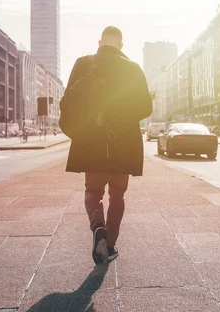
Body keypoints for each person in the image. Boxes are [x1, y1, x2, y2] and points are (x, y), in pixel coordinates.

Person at [64, 26, 152, 265]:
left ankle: (98, 228)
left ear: (100, 42)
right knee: (118, 195)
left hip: (92, 140)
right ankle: (110, 245)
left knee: (93, 192)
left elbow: (67, 101)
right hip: (123, 143)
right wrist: (122, 113)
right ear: (121, 46)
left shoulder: (84, 63)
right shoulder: (133, 68)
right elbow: (146, 107)